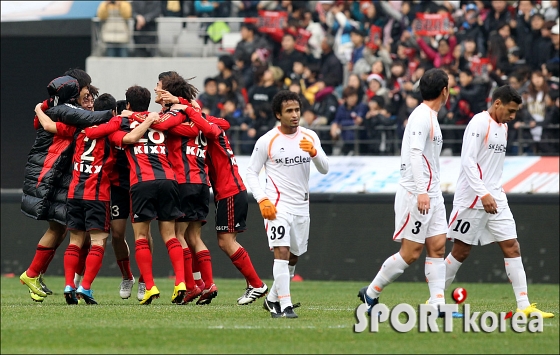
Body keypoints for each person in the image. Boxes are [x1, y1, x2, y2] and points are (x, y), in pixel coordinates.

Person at [444, 85, 554, 319]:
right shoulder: (478, 123)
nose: (513, 117)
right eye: (510, 111)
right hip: (473, 198)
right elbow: (468, 162)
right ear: (497, 104)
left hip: (496, 197)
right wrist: (483, 193)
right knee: (461, 251)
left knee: (512, 246)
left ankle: (523, 306)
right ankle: (435, 299)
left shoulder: (503, 127)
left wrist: (492, 193)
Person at [357, 68, 460, 317]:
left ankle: (437, 305)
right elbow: (414, 153)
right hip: (417, 194)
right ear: (444, 91)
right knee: (411, 253)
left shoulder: (431, 116)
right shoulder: (421, 116)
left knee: (437, 247)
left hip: (433, 193)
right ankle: (370, 293)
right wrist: (422, 191)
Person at [32, 93, 150, 305]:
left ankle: (69, 284)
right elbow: (131, 138)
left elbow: (49, 126)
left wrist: (39, 109)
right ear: (112, 112)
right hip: (98, 195)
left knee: (75, 241)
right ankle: (85, 287)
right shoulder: (112, 132)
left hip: (74, 193)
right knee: (98, 241)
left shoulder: (78, 129)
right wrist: (145, 119)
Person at [19, 74, 113, 302]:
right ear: (74, 92)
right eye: (85, 96)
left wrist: (39, 109)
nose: (89, 102)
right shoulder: (66, 111)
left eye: (92, 97)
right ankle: (36, 275)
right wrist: (118, 116)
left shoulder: (55, 108)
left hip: (59, 177)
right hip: (53, 178)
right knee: (63, 231)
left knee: (68, 232)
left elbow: (42, 121)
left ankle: (57, 280)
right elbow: (54, 124)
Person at [172, 98, 268, 306]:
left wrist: (184, 110)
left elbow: (217, 127)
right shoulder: (207, 126)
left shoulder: (209, 130)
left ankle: (256, 284)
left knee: (226, 242)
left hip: (230, 191)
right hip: (227, 191)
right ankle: (204, 284)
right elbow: (223, 123)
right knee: (198, 238)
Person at [245, 90, 329, 318]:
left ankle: (272, 298)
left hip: (302, 206)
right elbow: (251, 172)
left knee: (293, 256)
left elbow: (324, 168)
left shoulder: (310, 136)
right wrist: (262, 199)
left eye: (297, 110)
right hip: (276, 206)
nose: (294, 115)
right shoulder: (267, 140)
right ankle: (285, 306)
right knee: (281, 251)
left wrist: (314, 153)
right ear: (278, 114)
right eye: (289, 111)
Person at [105, 86, 187, 305]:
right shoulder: (160, 118)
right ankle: (180, 282)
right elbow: (183, 113)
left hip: (142, 182)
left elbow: (124, 139)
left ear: (128, 104)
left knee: (141, 236)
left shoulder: (121, 122)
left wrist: (129, 116)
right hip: (169, 179)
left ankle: (149, 286)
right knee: (170, 235)